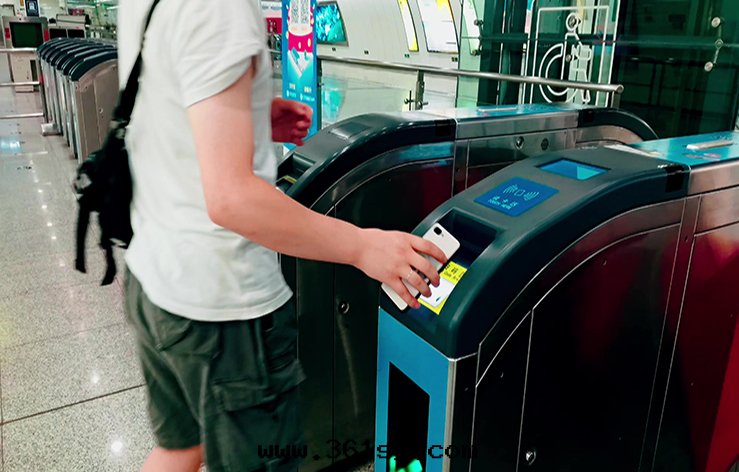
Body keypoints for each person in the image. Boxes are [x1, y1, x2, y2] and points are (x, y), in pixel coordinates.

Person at [117, 1, 446, 471]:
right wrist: (364, 246)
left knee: (181, 448)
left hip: (156, 277)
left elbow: (163, 98)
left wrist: (245, 115)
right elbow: (231, 199)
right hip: (222, 312)